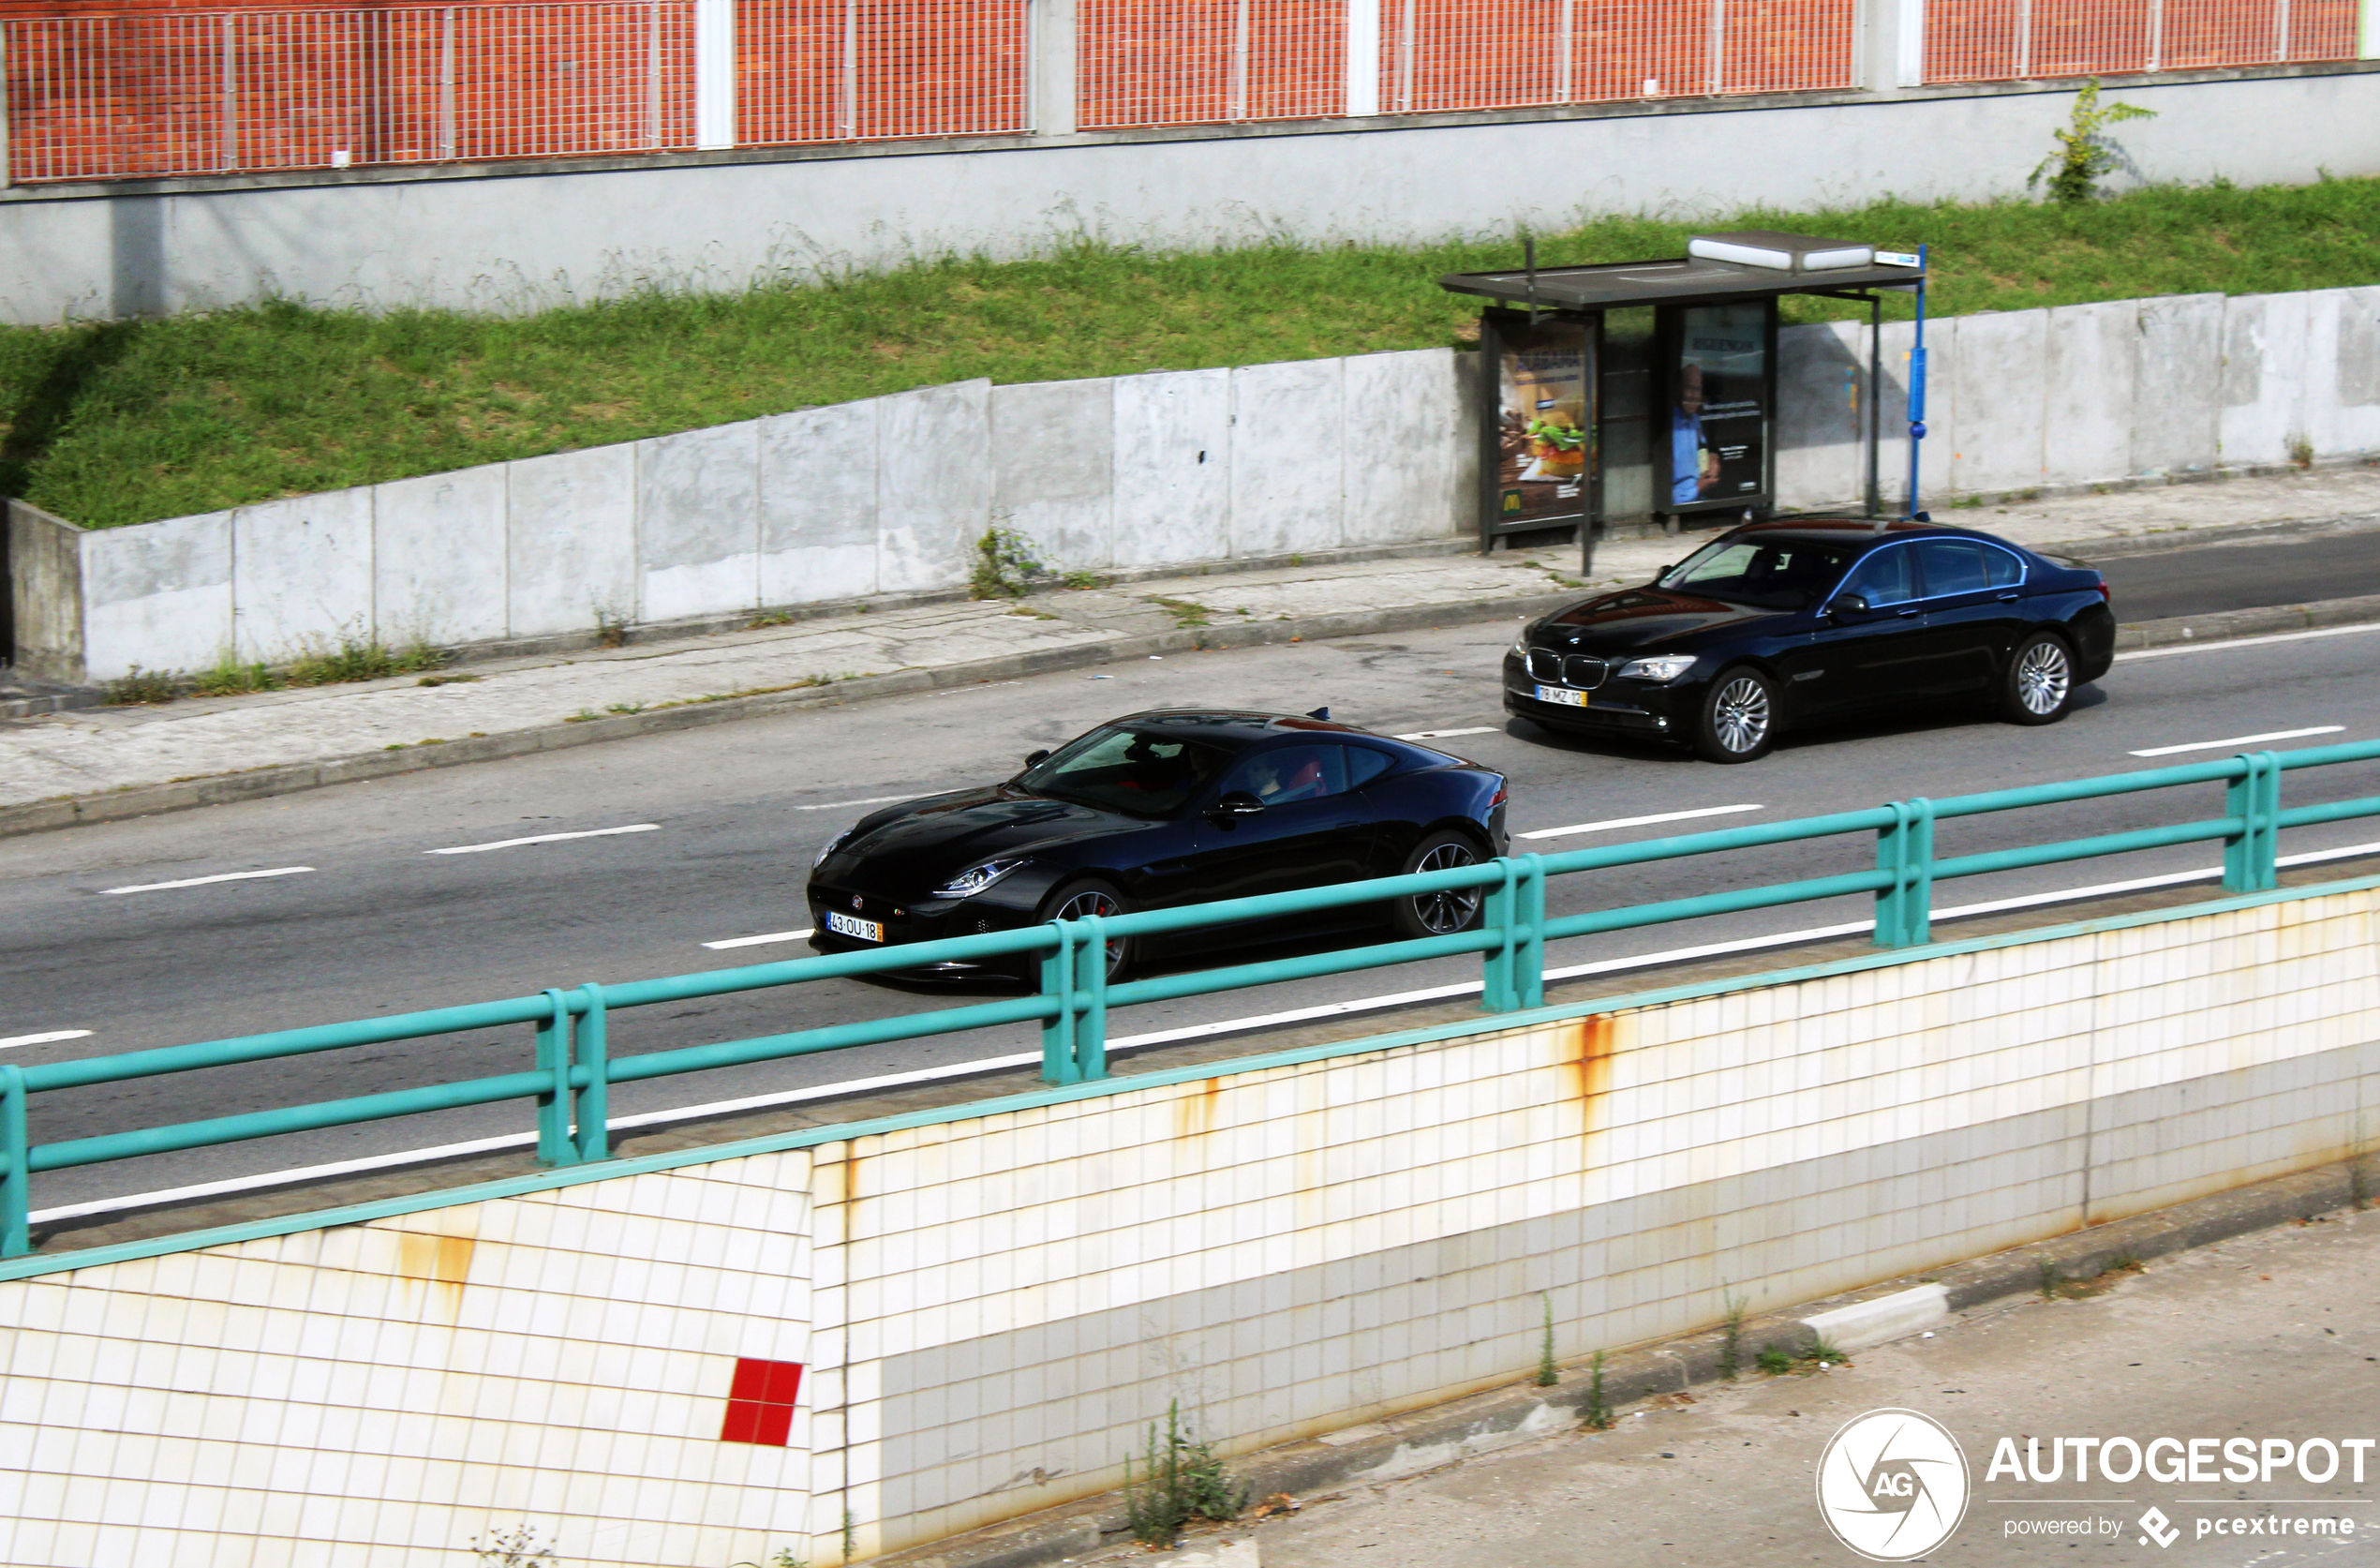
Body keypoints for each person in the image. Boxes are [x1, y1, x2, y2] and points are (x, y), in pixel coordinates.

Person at [1670, 364, 1722, 506]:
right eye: (1689, 389)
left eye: (1697, 390)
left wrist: (1712, 459)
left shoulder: (1694, 419)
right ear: (1679, 389)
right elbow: (1669, 498)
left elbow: (1702, 447)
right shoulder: (1670, 426)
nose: (1694, 396)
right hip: (1683, 504)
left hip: (1701, 498)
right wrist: (1697, 488)